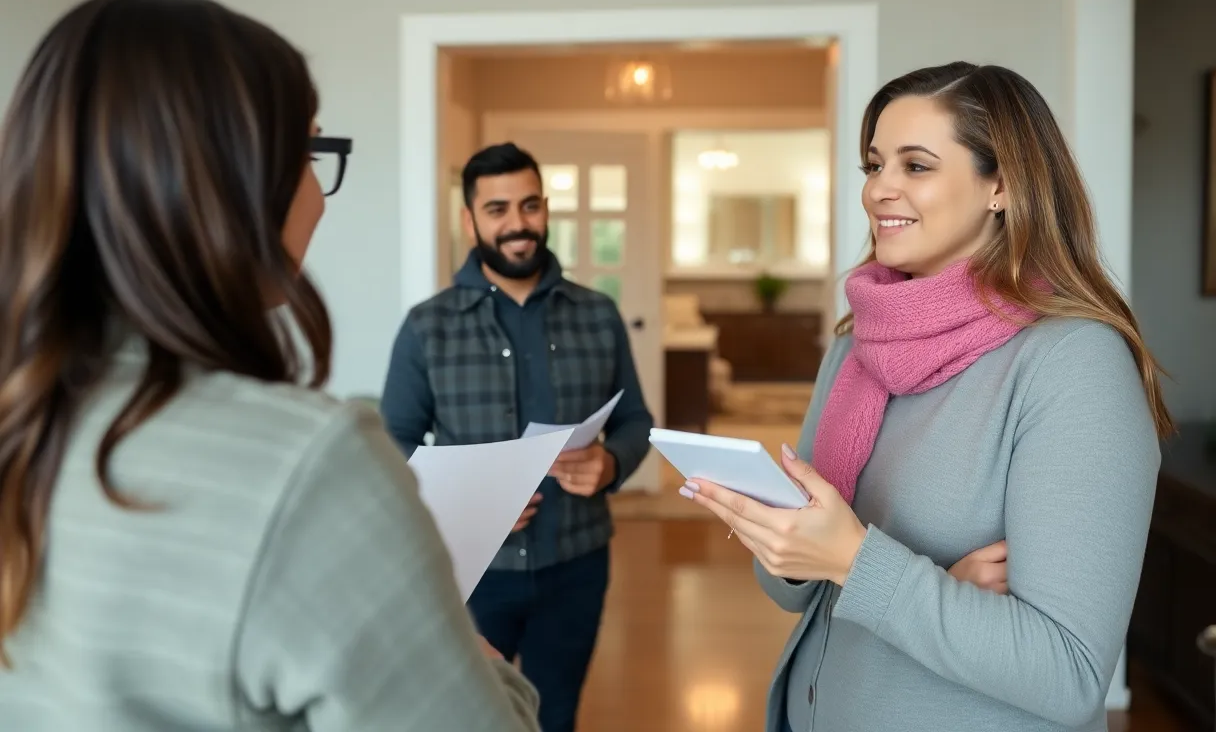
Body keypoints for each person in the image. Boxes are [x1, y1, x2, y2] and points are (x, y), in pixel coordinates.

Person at [0, 0, 540, 732]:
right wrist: (479, 667)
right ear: (234, 182)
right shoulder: (309, 464)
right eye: (311, 152)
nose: (319, 194)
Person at [680, 62, 1171, 732]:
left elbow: (1067, 674)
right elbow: (797, 592)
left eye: (915, 166)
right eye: (874, 164)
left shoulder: (1072, 363)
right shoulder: (856, 344)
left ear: (1001, 184)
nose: (879, 188)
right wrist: (792, 540)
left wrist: (856, 560)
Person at [381, 142, 654, 732]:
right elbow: (393, 441)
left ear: (546, 209)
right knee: (468, 719)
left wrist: (610, 463)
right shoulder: (427, 327)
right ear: (469, 219)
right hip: (468, 569)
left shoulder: (598, 314)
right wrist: (466, 493)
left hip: (577, 563)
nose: (517, 224)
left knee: (555, 716)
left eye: (529, 206)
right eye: (498, 209)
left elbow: (638, 421)